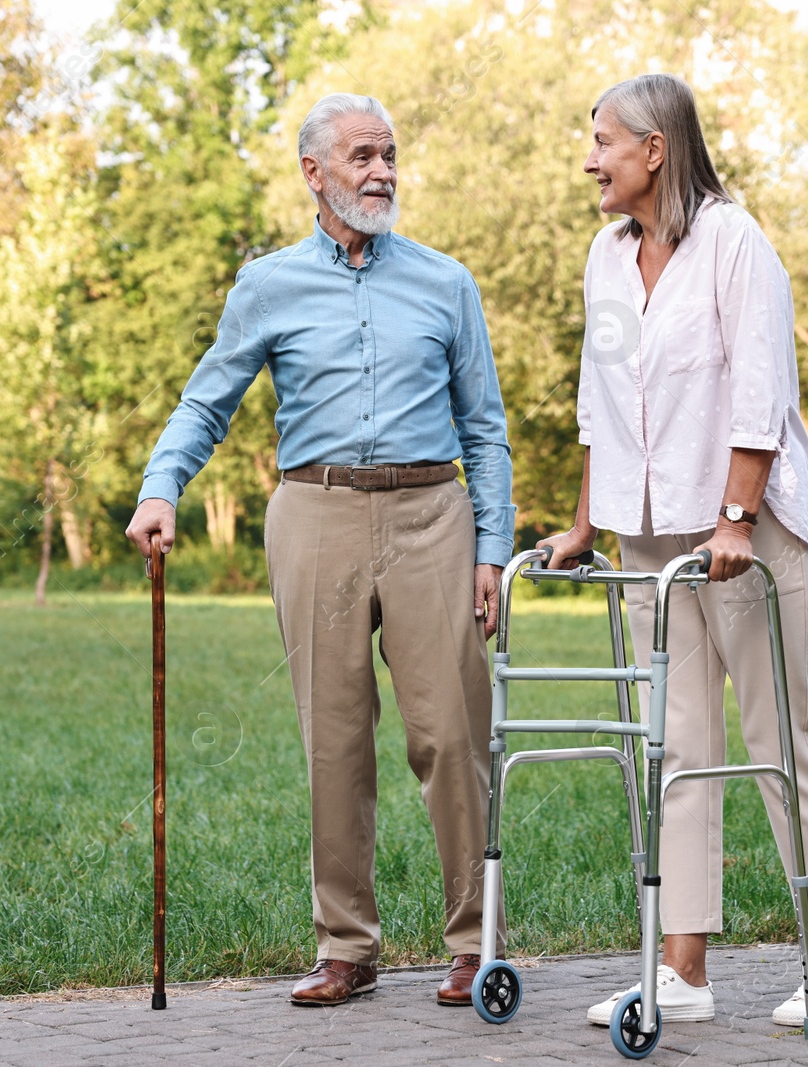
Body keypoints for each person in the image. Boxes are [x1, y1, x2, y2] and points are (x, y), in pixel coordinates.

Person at [125, 92, 514, 1008]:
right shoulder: (267, 284)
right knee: (334, 738)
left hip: (432, 515)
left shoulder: (447, 282)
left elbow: (485, 428)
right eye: (362, 156)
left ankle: (476, 940)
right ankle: (348, 945)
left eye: (389, 154)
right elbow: (206, 398)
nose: (382, 171)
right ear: (314, 172)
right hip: (316, 513)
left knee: (451, 734)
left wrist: (491, 547)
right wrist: (159, 486)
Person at [539, 73, 808, 1028]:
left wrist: (736, 517)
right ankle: (683, 971)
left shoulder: (735, 242)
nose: (589, 157)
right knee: (676, 749)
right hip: (653, 536)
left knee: (781, 736)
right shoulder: (607, 259)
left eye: (602, 139)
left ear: (655, 149)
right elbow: (598, 400)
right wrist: (584, 521)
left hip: (746, 536)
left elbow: (761, 386)